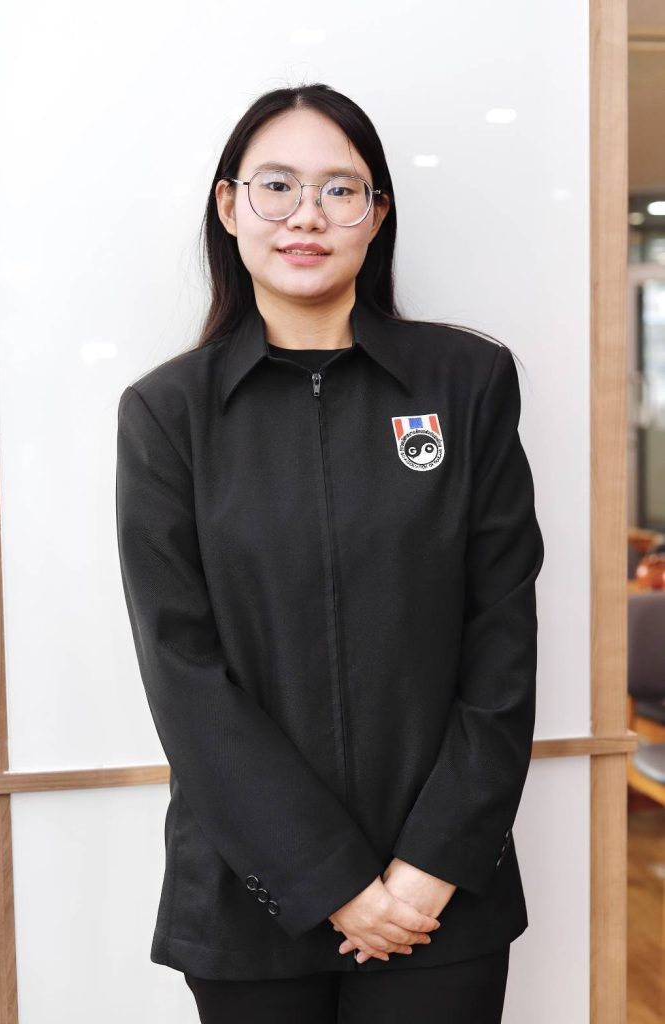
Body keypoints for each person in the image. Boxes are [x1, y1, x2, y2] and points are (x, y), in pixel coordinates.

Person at [115, 82, 544, 1023]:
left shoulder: (466, 382)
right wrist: (331, 881)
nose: (306, 215)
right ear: (229, 206)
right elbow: (182, 671)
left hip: (440, 898)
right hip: (251, 896)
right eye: (276, 186)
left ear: (376, 214)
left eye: (339, 189)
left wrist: (430, 866)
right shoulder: (167, 413)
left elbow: (502, 636)